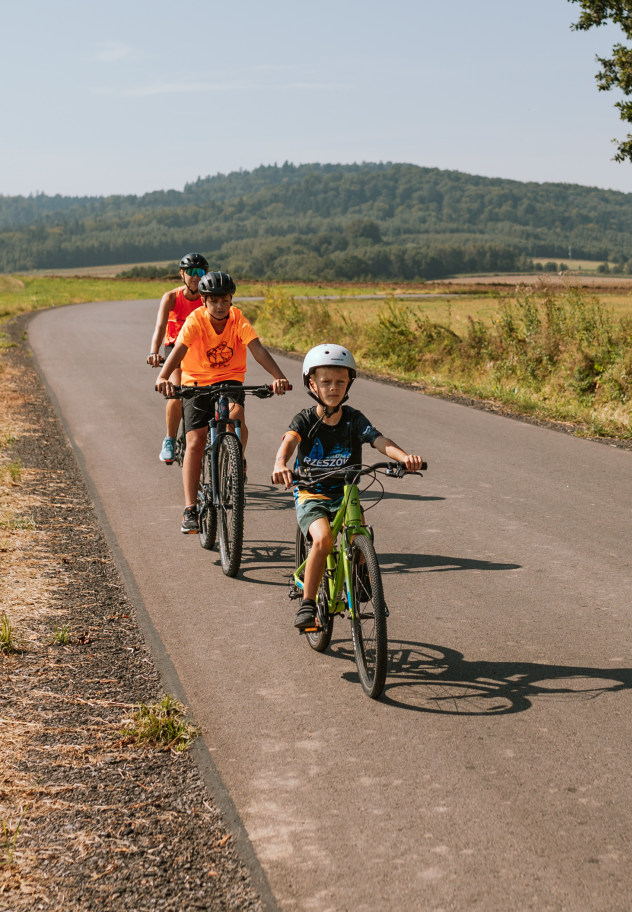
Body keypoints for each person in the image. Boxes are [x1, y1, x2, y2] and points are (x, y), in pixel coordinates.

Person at [271, 343, 424, 633]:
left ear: (349, 383)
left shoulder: (354, 419)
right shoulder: (305, 419)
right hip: (312, 493)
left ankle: (363, 578)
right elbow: (289, 443)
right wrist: (280, 464)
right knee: (324, 539)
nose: (333, 388)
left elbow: (380, 441)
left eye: (340, 381)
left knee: (361, 531)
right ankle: (307, 604)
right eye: (326, 382)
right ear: (311, 384)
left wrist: (405, 458)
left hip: (346, 493)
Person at [154, 271, 293, 534]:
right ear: (204, 301)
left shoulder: (238, 318)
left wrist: (279, 377)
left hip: (230, 380)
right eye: (214, 300)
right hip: (195, 383)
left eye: (224, 300)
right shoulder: (195, 320)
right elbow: (179, 351)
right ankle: (190, 509)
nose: (220, 306)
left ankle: (236, 460)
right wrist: (163, 376)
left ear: (231, 300)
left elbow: (258, 349)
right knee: (195, 441)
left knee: (236, 415)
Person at [146, 253, 210, 464]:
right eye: (190, 272)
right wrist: (154, 351)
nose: (195, 276)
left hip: (200, 350)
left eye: (200, 272)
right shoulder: (172, 297)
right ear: (182, 274)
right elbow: (160, 326)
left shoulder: (207, 299)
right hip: (174, 349)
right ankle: (170, 439)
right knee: (175, 391)